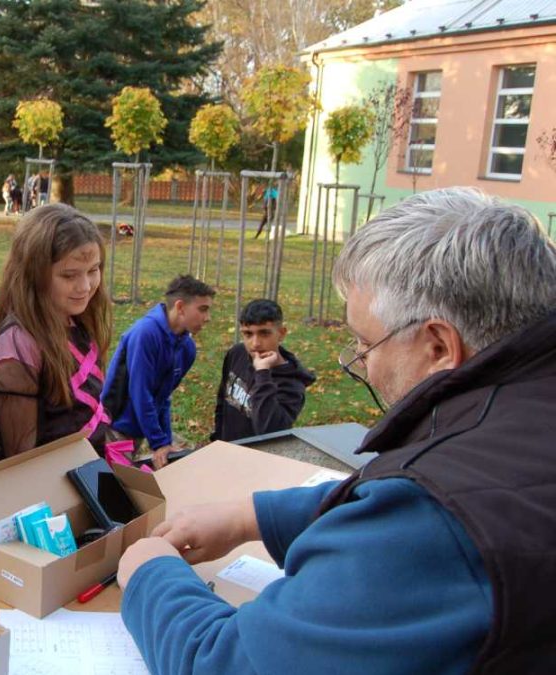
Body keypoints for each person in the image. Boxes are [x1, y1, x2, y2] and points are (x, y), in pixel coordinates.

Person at [117, 187, 556, 672]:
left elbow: (230, 662)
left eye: (366, 345)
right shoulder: (524, 409)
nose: (362, 365)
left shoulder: (437, 519)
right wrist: (254, 516)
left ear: (438, 348)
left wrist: (150, 575)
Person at [0, 204, 112, 457]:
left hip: (90, 476)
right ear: (35, 275)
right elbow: (20, 459)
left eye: (93, 270)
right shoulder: (19, 346)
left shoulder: (77, 320)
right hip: (50, 491)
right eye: (69, 275)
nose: (85, 286)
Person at [101, 275, 214, 469]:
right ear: (180, 307)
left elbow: (163, 398)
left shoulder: (187, 348)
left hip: (138, 430)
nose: (208, 318)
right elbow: (140, 393)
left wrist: (165, 441)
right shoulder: (145, 334)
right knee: (107, 488)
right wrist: (158, 442)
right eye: (202, 309)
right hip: (114, 428)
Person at [211, 299, 315, 442]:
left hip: (260, 459)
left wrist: (262, 373)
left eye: (264, 333)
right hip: (227, 450)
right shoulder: (237, 353)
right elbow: (222, 402)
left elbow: (269, 431)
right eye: (248, 334)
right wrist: (217, 441)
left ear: (281, 333)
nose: (255, 343)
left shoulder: (292, 384)